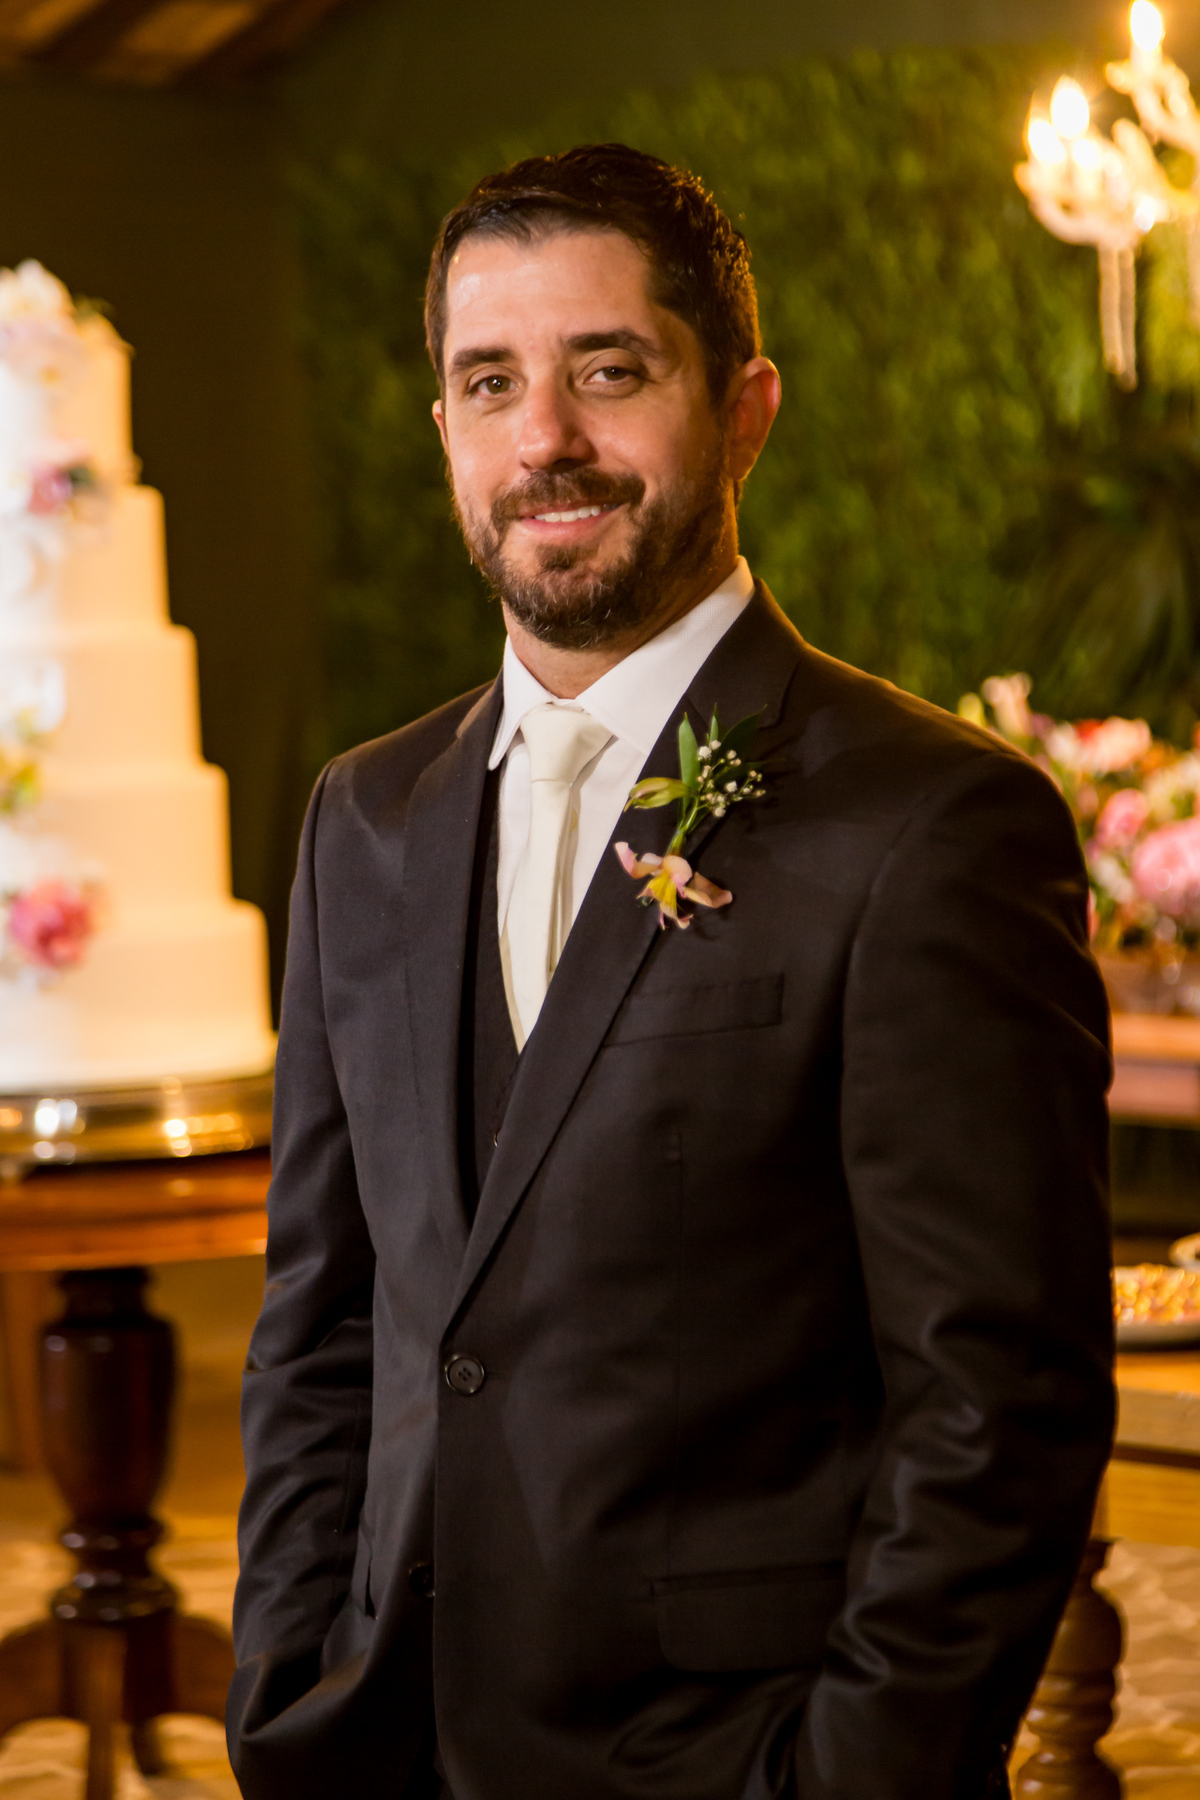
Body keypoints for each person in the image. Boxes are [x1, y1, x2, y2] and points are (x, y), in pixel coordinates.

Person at [228, 144, 1115, 1800]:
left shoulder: (933, 823)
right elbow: (323, 1323)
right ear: (445, 429)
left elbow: (999, 1401)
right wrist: (288, 1689)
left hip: (738, 1759)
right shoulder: (367, 817)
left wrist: (853, 1775)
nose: (544, 439)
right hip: (387, 1746)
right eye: (490, 382)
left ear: (745, 411)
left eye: (610, 371)